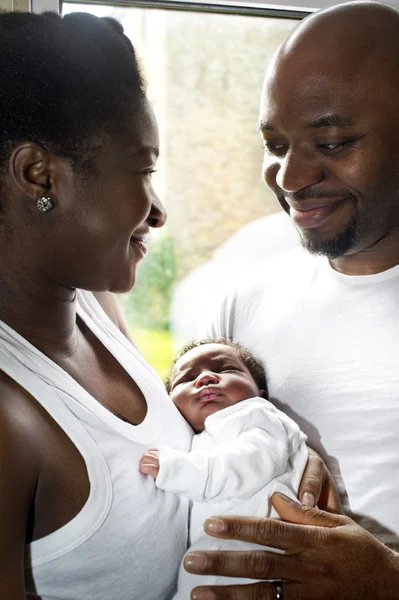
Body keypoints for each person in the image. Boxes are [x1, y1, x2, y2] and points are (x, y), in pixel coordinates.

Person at [0, 10, 331, 600]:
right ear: (38, 175)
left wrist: (285, 457)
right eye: (143, 171)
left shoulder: (91, 303)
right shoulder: (9, 424)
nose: (157, 211)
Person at [190, 2, 399, 599]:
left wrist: (387, 583)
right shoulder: (239, 306)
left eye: (331, 143)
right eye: (275, 143)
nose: (288, 177)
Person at [139, 338, 308, 599]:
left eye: (224, 369)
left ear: (259, 392)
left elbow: (247, 463)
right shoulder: (199, 439)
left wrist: (177, 470)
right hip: (224, 558)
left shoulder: (258, 415)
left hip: (265, 554)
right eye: (186, 379)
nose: (205, 378)